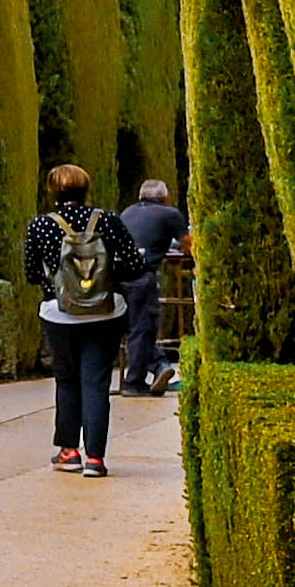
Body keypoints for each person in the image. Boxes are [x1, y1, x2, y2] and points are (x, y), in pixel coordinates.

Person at [30, 160, 148, 475]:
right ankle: (95, 458)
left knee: (67, 380)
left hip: (58, 314)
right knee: (95, 382)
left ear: (53, 191)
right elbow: (135, 267)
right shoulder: (107, 220)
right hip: (105, 313)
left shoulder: (41, 225)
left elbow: (31, 273)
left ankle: (69, 452)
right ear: (86, 190)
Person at [116, 175, 191, 393]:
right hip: (142, 275)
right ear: (165, 198)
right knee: (143, 328)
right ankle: (134, 382)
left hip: (117, 277)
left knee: (134, 329)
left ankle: (159, 365)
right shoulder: (169, 214)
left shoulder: (127, 212)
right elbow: (189, 244)